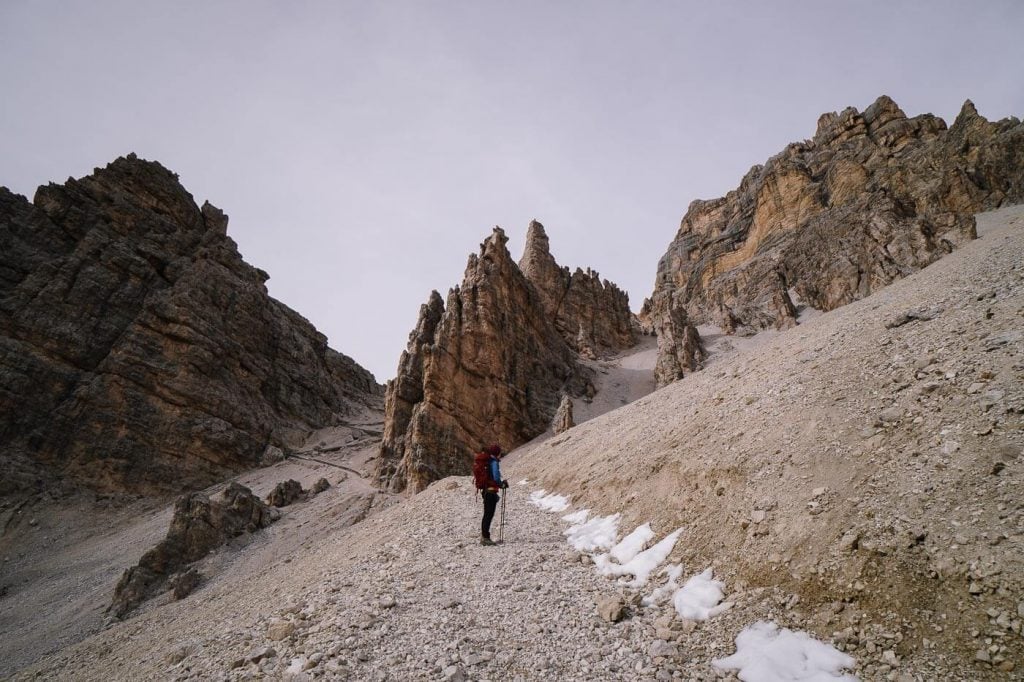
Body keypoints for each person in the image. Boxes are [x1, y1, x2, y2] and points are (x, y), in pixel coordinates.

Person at [474, 444, 508, 546]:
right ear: (497, 453)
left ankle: (484, 536)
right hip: (491, 492)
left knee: (487, 514)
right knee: (488, 515)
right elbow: (496, 477)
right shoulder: (493, 463)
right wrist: (502, 484)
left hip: (486, 491)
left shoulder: (487, 462)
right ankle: (485, 538)